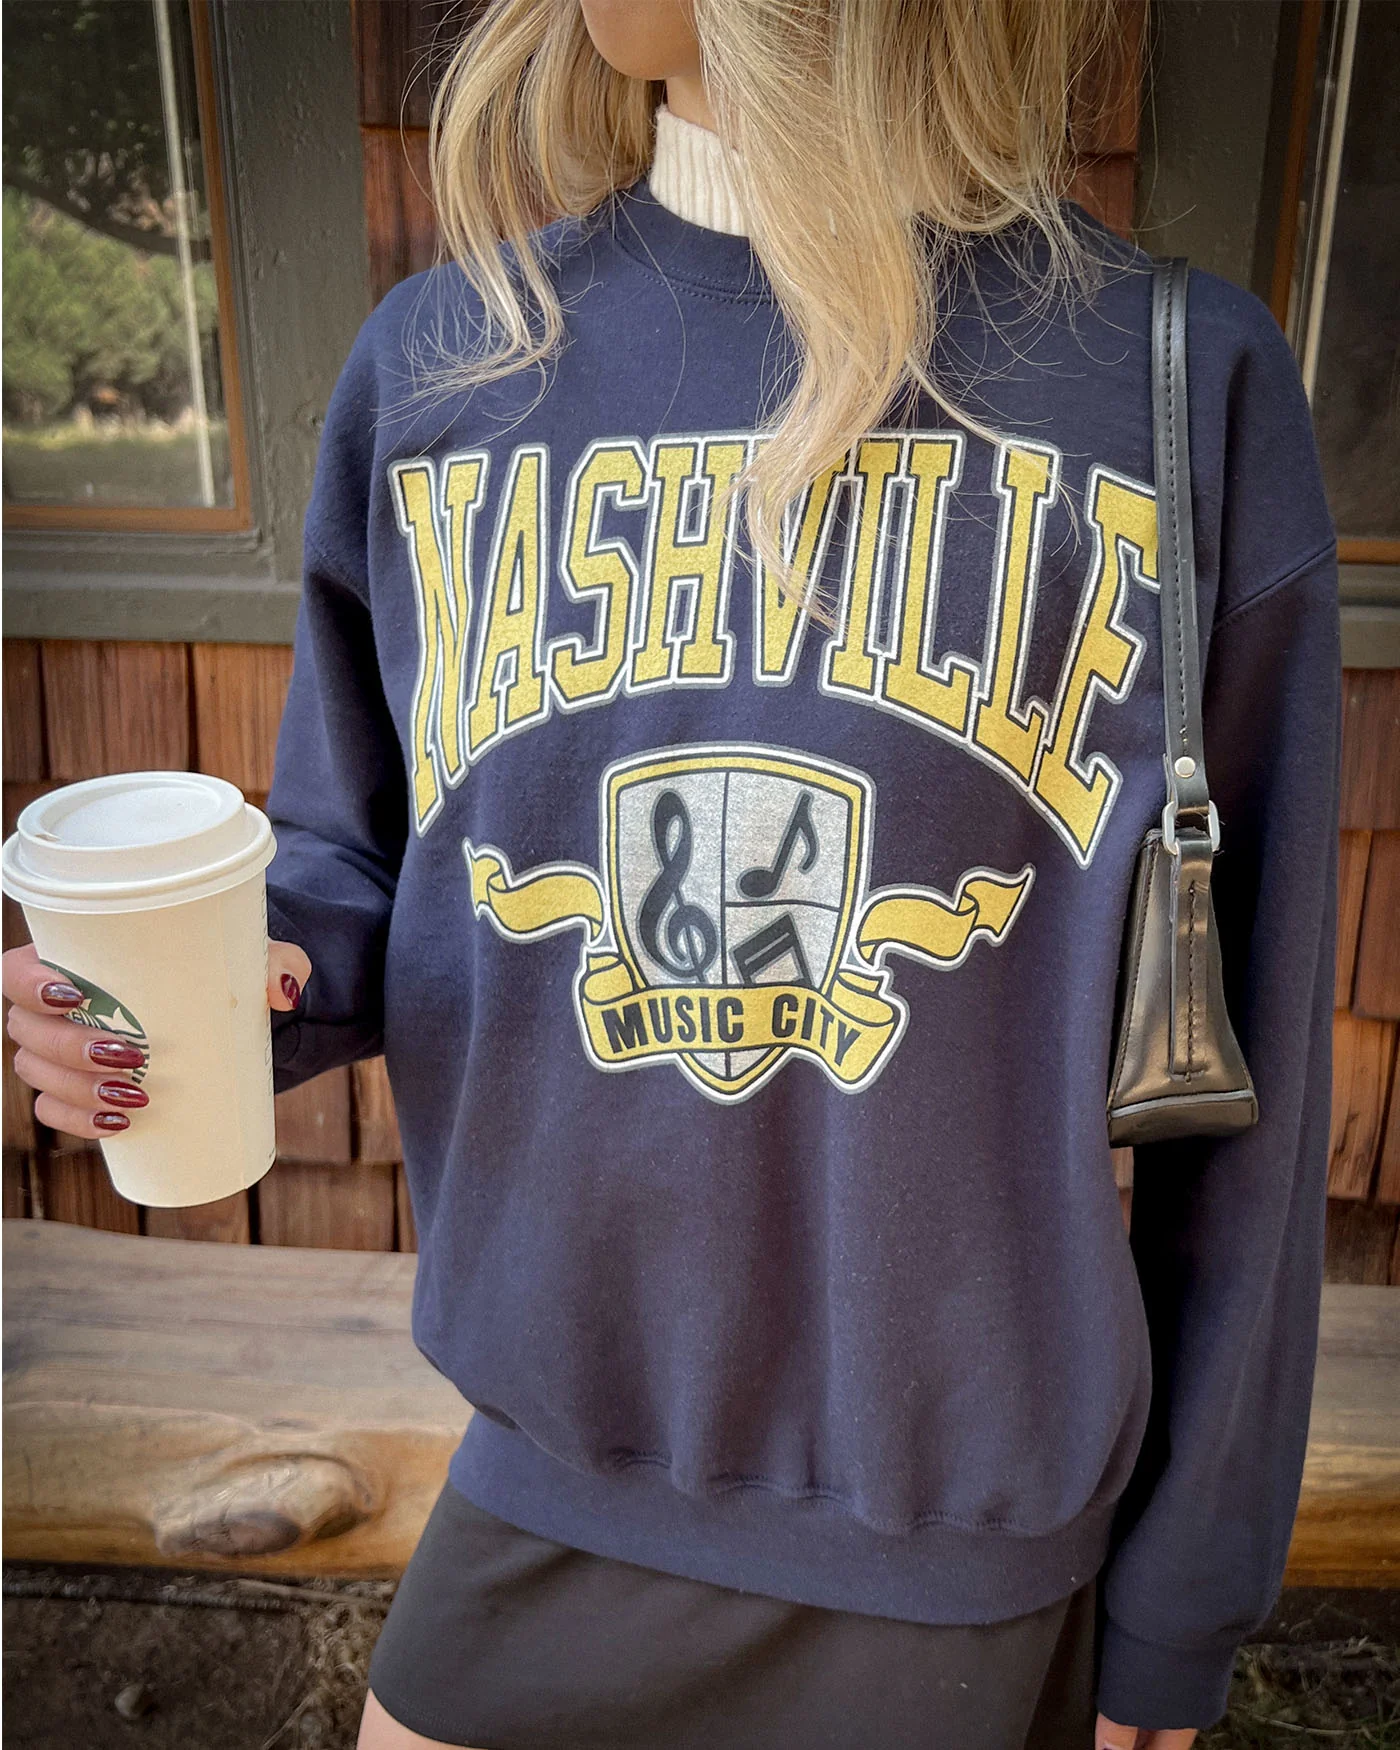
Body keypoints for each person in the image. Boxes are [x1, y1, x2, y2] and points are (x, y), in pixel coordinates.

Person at [2, 1, 1342, 1746]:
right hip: (544, 1487)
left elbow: (1257, 1075)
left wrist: (1183, 1600)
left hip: (950, 1560)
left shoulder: (1172, 389)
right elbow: (360, 859)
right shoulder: (448, 364)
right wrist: (204, 988)